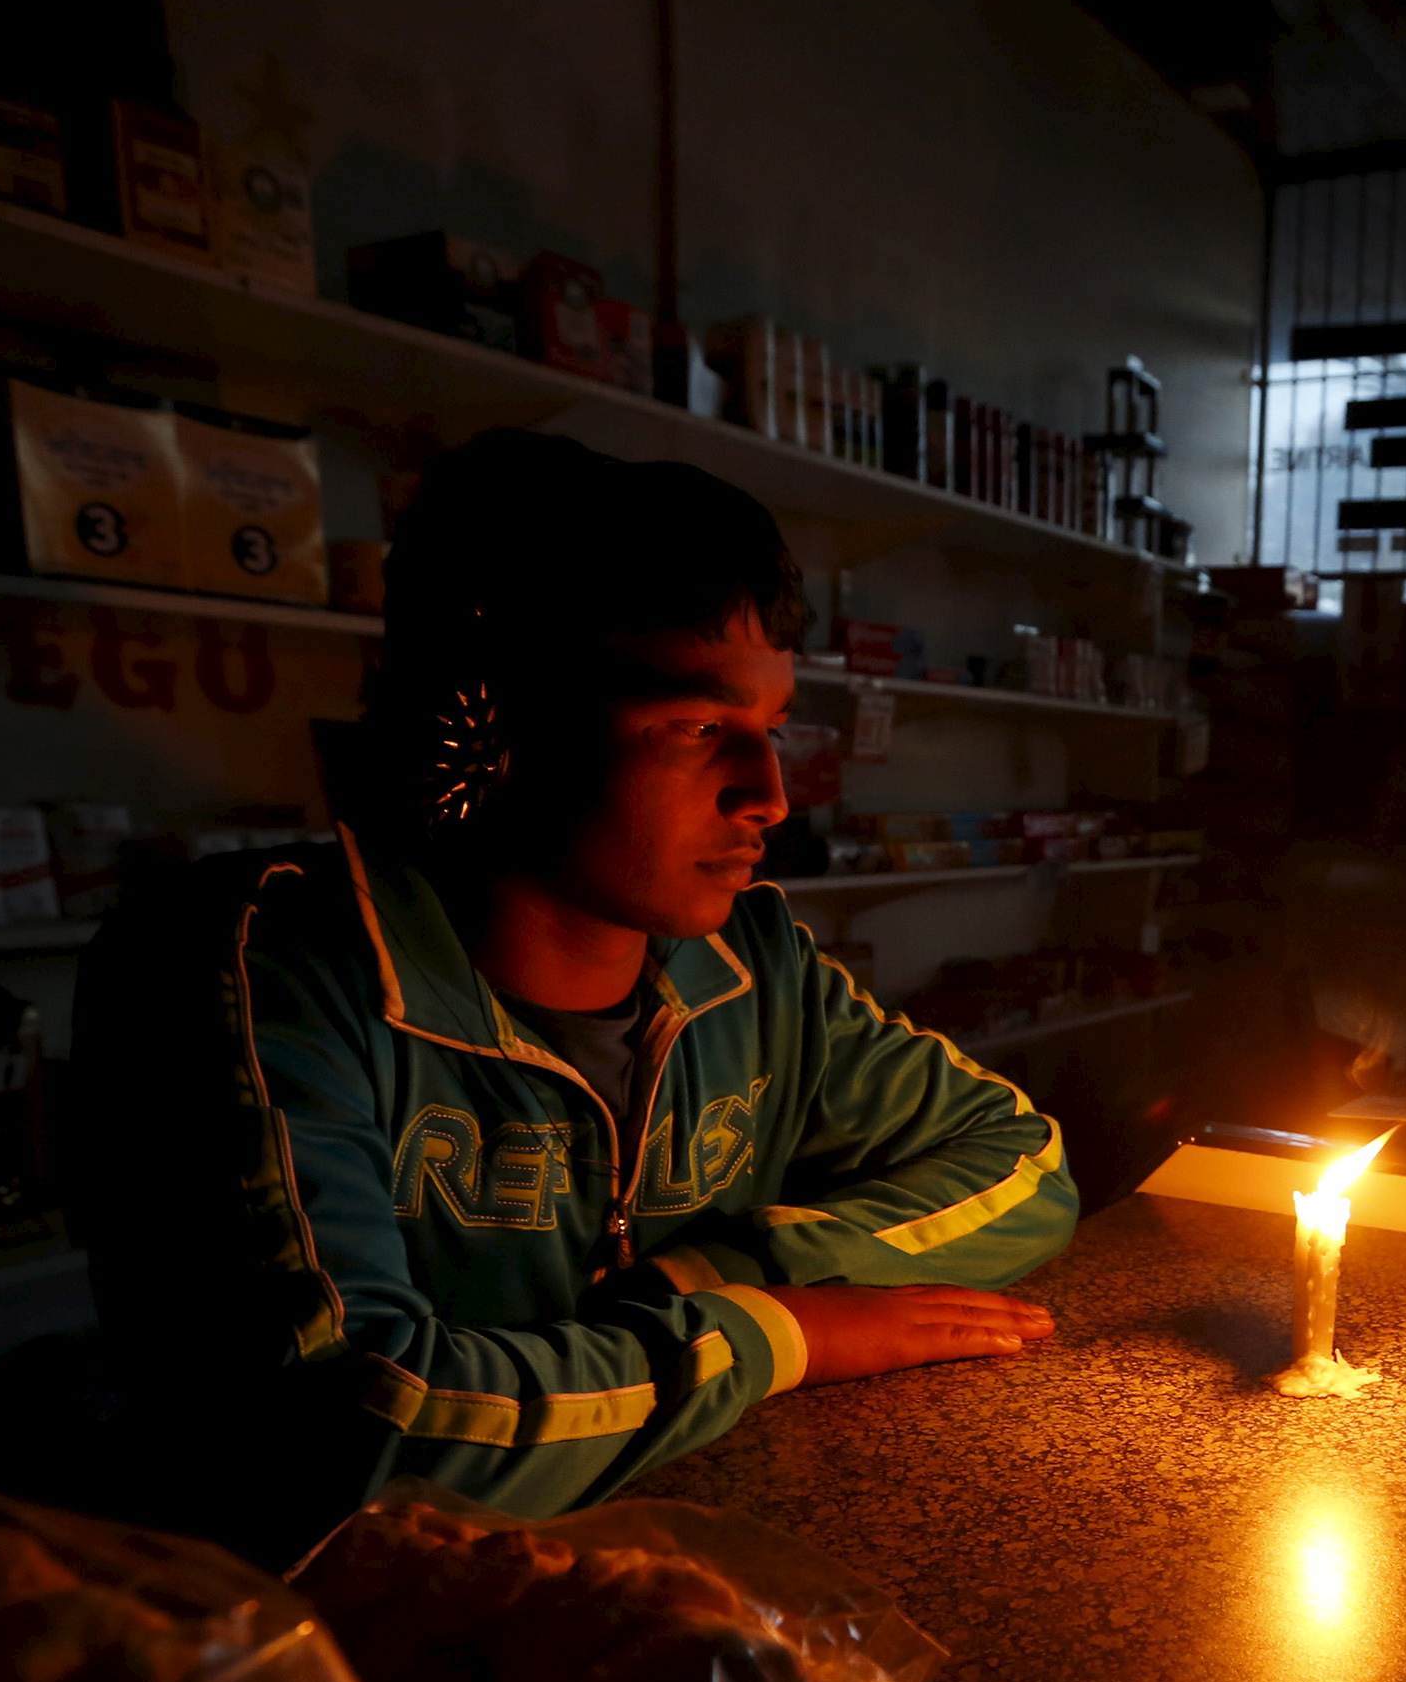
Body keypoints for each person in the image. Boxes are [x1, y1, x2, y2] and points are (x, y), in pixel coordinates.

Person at [75, 432, 1072, 1549]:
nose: (770, 795)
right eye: (698, 728)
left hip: (649, 1583)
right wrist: (770, 1333)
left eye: (772, 729)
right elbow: (358, 1435)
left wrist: (720, 1272)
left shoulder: (752, 965)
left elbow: (1024, 1164)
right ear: (501, 735)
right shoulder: (266, 969)